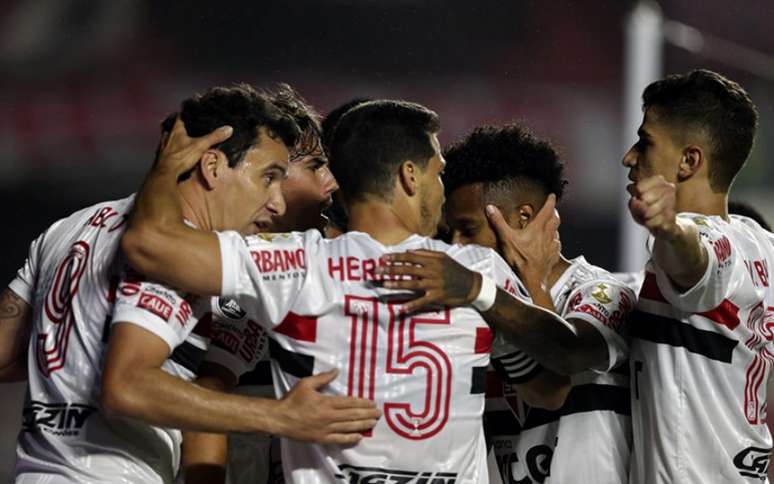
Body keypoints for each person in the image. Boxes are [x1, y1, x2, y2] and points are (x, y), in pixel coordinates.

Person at [120, 99, 573, 482]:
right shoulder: (474, 271)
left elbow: (147, 242)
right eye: (438, 172)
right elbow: (550, 389)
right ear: (410, 177)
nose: (441, 189)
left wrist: (169, 164)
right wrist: (518, 298)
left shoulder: (294, 264)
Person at [1, 84, 379, 484]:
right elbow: (127, 386)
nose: (277, 201)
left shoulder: (74, 225)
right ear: (212, 166)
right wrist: (281, 416)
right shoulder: (177, 257)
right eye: (268, 177)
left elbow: (6, 354)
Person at [442, 123, 635, 483]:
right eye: (447, 232)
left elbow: (566, 356)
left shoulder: (602, 293)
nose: (454, 246)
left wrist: (534, 284)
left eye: (467, 230)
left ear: (522, 219)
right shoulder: (470, 311)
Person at [620, 69, 773, 483]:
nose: (629, 157)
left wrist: (668, 227)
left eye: (645, 142)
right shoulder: (763, 246)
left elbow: (697, 261)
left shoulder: (710, 243)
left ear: (689, 161)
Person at [182, 84, 340, 484]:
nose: (331, 183)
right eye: (316, 165)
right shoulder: (221, 271)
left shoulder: (332, 263)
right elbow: (207, 398)